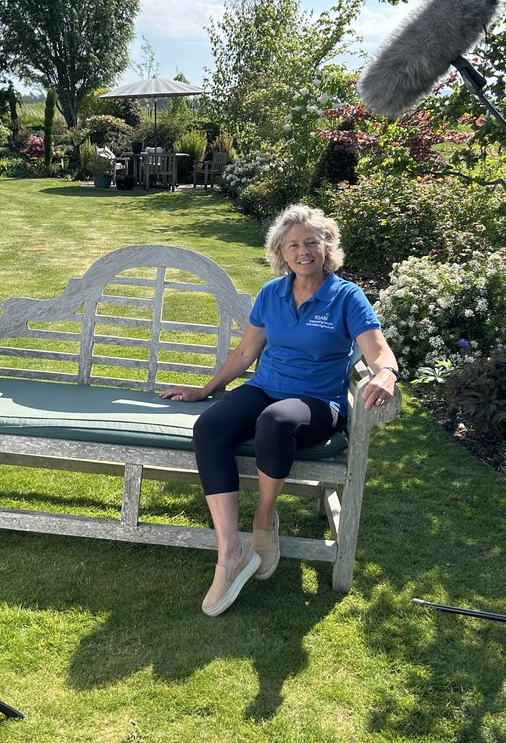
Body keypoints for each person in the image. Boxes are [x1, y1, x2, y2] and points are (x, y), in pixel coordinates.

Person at [160, 203, 399, 616]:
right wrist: (206, 390)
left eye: (312, 242)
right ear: (281, 252)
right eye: (293, 245)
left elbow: (378, 352)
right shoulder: (271, 294)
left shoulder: (345, 297)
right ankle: (230, 552)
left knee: (275, 422)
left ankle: (265, 521)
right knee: (210, 427)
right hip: (266, 388)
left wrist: (386, 375)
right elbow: (246, 352)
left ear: (327, 247)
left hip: (317, 404)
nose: (303, 251)